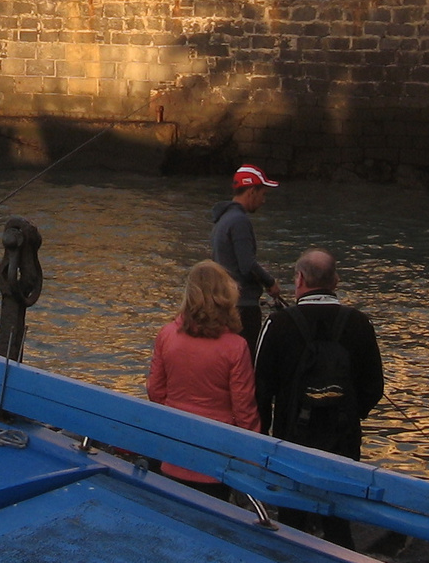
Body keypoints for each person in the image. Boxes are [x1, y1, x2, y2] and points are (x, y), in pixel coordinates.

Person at [253, 249, 384, 548]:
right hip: (344, 439)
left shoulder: (278, 324)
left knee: (290, 520)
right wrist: (350, 414)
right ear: (335, 281)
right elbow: (374, 387)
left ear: (299, 279)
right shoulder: (359, 323)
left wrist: (268, 433)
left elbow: (261, 388)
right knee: (338, 522)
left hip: (291, 439)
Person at [146, 261, 258, 498]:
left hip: (174, 447)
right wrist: (251, 457)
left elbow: (155, 390)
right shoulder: (236, 347)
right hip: (216, 454)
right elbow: (244, 409)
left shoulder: (167, 335)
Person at [210, 165, 282, 349]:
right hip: (244, 306)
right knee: (246, 361)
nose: (263, 201)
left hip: (225, 303)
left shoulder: (221, 220)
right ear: (251, 191)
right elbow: (247, 264)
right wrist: (270, 283)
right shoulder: (239, 221)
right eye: (263, 194)